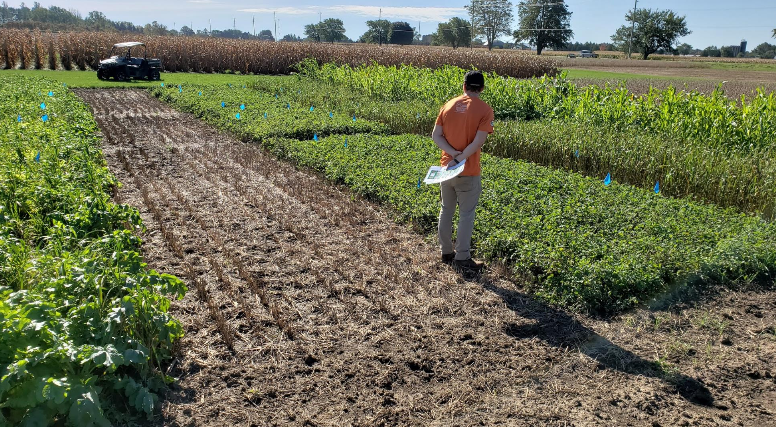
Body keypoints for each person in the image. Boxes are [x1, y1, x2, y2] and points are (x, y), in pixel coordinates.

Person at [432, 70, 494, 270]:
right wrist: (460, 158)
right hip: (468, 170)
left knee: (446, 210)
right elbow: (478, 142)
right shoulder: (485, 110)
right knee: (466, 213)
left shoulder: (448, 105)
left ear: (464, 86)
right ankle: (463, 256)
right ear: (482, 89)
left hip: (446, 168)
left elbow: (436, 135)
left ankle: (446, 251)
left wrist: (451, 155)